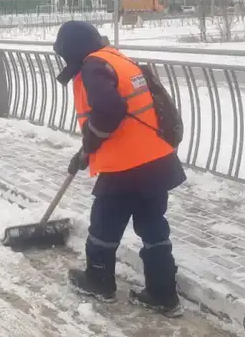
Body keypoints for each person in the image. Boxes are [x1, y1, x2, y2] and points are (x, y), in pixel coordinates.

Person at [53, 20, 186, 316]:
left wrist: (92, 142)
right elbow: (124, 118)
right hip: (155, 159)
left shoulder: (92, 65)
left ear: (72, 50)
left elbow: (111, 110)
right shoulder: (117, 59)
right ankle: (163, 294)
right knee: (153, 227)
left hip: (127, 166)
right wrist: (86, 151)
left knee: (104, 224)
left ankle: (99, 281)